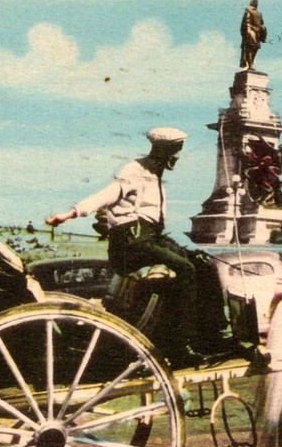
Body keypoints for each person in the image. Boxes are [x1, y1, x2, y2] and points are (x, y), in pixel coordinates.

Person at [46, 127, 223, 367]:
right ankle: (178, 347)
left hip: (150, 238)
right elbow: (108, 194)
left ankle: (214, 334)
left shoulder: (155, 172)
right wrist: (71, 213)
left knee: (203, 263)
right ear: (164, 151)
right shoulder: (134, 170)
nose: (177, 160)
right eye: (175, 154)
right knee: (186, 270)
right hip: (130, 244)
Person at [239, 0, 265, 70]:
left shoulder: (259, 13)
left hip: (257, 32)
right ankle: (250, 65)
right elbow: (247, 21)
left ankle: (251, 63)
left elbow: (262, 23)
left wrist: (263, 30)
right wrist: (248, 31)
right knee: (250, 47)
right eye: (255, 2)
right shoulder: (248, 10)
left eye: (256, 2)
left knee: (255, 47)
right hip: (251, 31)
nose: (256, 3)